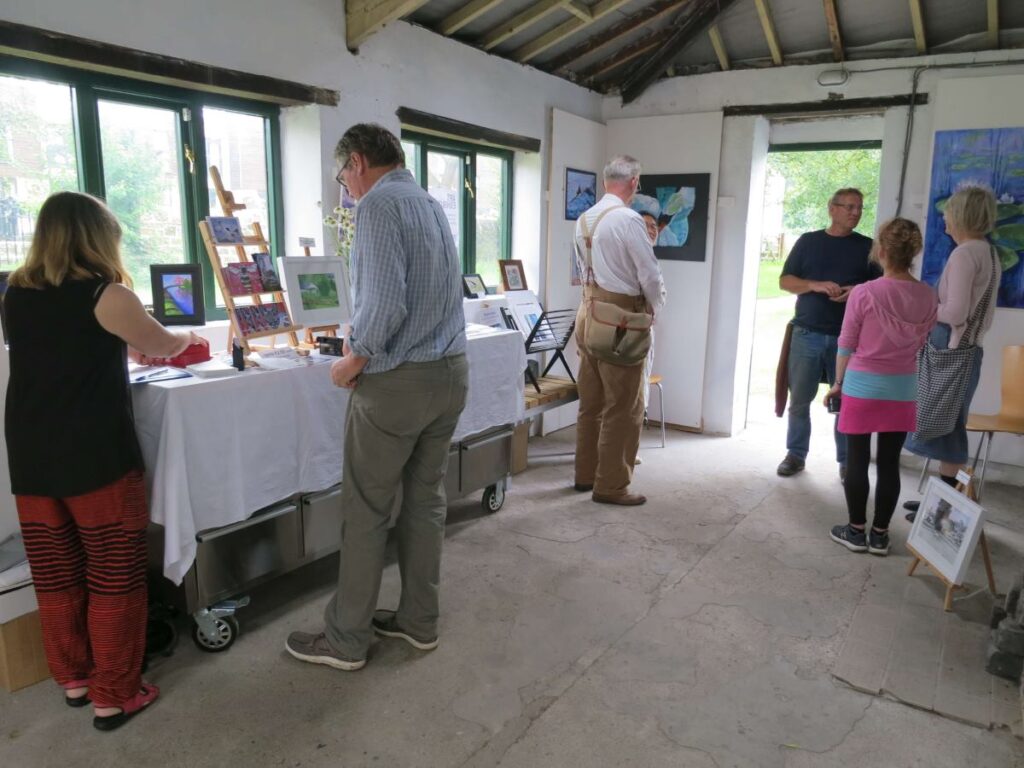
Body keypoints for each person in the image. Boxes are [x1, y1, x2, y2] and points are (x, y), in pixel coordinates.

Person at [4, 191, 206, 731]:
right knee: (114, 575)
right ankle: (115, 694)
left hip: (31, 457)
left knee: (56, 573)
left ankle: (73, 678)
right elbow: (163, 345)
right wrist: (190, 334)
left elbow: (63, 350)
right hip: (96, 457)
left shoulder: (14, 292)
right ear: (97, 237)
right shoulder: (106, 293)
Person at [286, 124, 468, 669]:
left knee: (366, 509)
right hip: (450, 373)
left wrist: (352, 359)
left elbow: (386, 304)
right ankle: (418, 621)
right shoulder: (429, 203)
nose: (346, 188)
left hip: (398, 382)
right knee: (424, 502)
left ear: (358, 161)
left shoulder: (378, 207)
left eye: (343, 176)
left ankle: (346, 640)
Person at [825, 218, 937, 556]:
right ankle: (881, 535)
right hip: (903, 389)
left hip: (862, 387)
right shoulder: (928, 295)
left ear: (882, 251)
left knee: (857, 460)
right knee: (889, 463)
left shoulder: (864, 293)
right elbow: (923, 339)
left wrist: (837, 383)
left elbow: (846, 343)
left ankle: (855, 532)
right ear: (913, 252)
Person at [902, 184, 1001, 520]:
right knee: (948, 425)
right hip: (967, 351)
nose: (944, 216)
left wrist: (926, 305)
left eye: (949, 210)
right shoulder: (987, 251)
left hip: (951, 351)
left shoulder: (964, 254)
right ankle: (941, 499)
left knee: (946, 428)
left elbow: (955, 313)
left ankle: (943, 508)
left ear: (961, 215)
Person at [573, 155, 666, 506]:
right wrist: (655, 308)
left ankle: (585, 475)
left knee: (591, 403)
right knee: (624, 405)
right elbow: (649, 273)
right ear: (634, 183)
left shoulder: (585, 218)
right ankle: (611, 485)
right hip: (620, 318)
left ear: (603, 182)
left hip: (589, 311)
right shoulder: (628, 220)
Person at [777, 188, 879, 481]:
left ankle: (847, 462)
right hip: (807, 333)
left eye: (859, 207)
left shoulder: (868, 247)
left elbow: (881, 289)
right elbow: (785, 281)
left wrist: (855, 292)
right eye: (848, 207)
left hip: (848, 339)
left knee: (844, 402)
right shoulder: (809, 242)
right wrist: (815, 285)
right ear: (831, 209)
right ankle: (795, 455)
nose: (855, 212)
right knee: (799, 400)